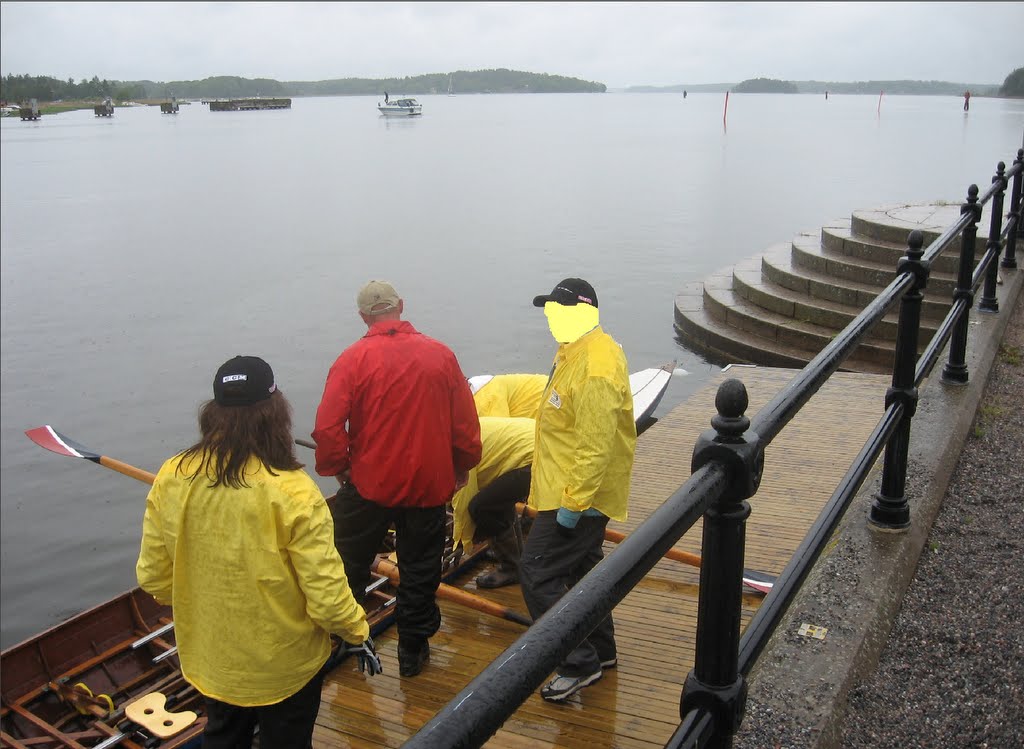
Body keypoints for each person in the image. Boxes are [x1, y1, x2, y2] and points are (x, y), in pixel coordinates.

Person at [136, 356, 379, 749]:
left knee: (223, 735)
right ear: (275, 412)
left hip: (211, 658)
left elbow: (154, 577)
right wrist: (356, 631)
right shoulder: (293, 491)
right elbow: (326, 596)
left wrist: (205, 605)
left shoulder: (172, 474)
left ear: (212, 413)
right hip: (284, 665)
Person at [312, 280, 482, 677]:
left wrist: (340, 468)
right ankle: (412, 652)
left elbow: (327, 428)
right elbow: (465, 427)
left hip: (369, 485)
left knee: (345, 564)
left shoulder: (352, 360)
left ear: (363, 316)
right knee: (420, 569)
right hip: (426, 485)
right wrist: (462, 466)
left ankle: (347, 641)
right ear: (401, 306)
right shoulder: (440, 356)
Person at [520, 277, 637, 703]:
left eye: (562, 311)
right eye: (551, 311)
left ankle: (577, 662)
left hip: (577, 499)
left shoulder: (596, 366)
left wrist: (571, 508)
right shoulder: (576, 352)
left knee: (536, 573)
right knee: (586, 573)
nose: (553, 319)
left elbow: (595, 445)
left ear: (587, 313)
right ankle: (601, 653)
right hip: (567, 491)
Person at [451, 415, 535, 588]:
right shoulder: (460, 431)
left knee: (481, 507)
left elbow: (463, 501)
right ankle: (518, 562)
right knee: (498, 501)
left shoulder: (455, 449)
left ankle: (512, 567)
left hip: (532, 456)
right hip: (536, 446)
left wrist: (462, 542)